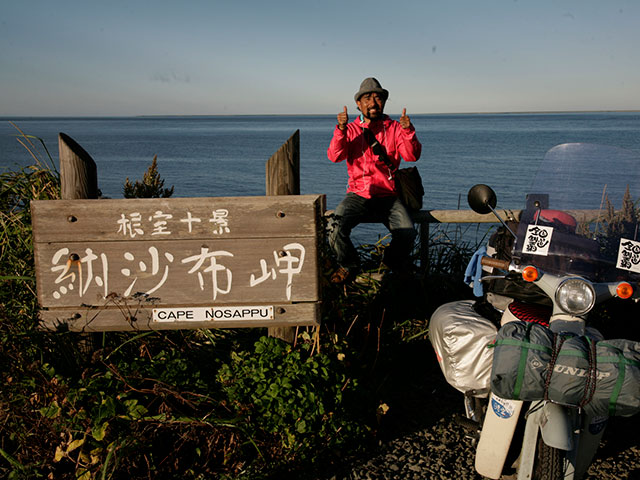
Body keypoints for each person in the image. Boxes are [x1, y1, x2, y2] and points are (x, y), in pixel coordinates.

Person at [327, 77, 422, 283]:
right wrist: (341, 131)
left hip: (387, 195)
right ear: (358, 104)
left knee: (407, 233)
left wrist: (408, 131)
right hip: (358, 194)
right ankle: (349, 265)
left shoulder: (395, 128)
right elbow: (334, 156)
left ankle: (391, 262)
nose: (373, 103)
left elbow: (411, 156)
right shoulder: (350, 130)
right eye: (367, 98)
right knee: (334, 228)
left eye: (377, 97)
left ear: (384, 102)